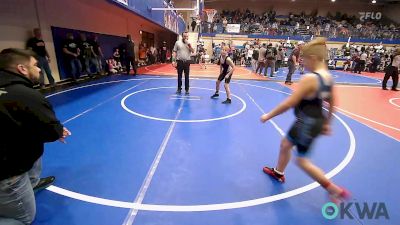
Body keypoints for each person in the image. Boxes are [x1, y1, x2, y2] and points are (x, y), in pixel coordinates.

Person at [260, 38, 350, 203]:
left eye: (304, 58)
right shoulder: (327, 78)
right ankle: (278, 172)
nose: (302, 62)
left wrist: (268, 115)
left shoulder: (310, 79)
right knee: (285, 144)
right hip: (312, 121)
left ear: (314, 58)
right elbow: (333, 102)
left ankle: (332, 189)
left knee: (302, 161)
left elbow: (290, 103)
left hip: (306, 124)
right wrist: (327, 123)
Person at [0, 48, 71, 225]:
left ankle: (31, 183)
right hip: (7, 171)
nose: (39, 69)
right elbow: (50, 130)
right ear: (22, 69)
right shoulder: (27, 96)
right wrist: (57, 131)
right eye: (35, 65)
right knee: (24, 218)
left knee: (33, 137)